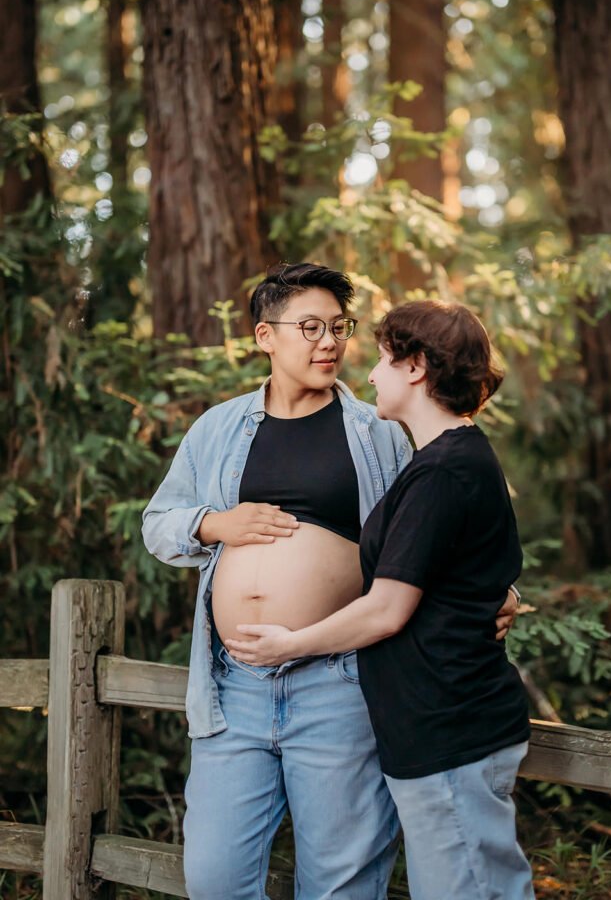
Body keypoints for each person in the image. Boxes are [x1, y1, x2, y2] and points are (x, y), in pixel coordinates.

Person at [142, 264, 519, 900]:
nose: (330, 343)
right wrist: (214, 524)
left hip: (340, 684)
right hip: (235, 689)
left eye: (340, 328)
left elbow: (436, 533)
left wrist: (493, 592)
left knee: (340, 885)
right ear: (265, 335)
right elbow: (158, 524)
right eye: (311, 327)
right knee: (213, 880)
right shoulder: (218, 428)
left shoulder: (381, 432)